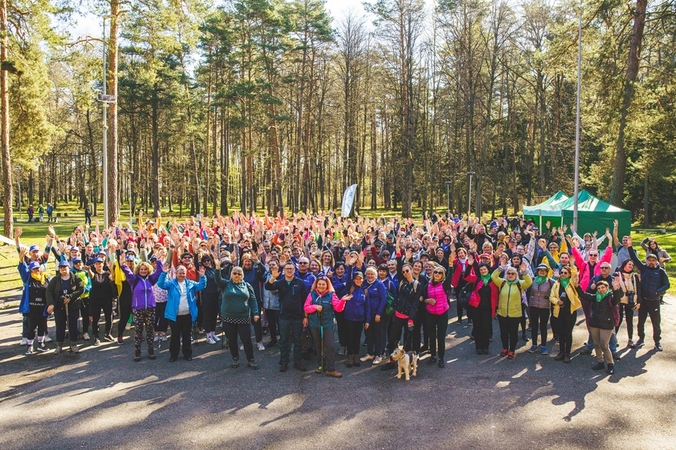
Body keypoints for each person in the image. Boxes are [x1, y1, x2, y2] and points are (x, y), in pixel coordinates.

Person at [157, 263, 207, 362]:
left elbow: (202, 286)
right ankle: (173, 355)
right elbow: (161, 284)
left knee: (187, 335)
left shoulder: (191, 283)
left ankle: (187, 354)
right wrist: (163, 273)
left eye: (183, 273)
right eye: (180, 273)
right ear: (176, 273)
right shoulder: (171, 284)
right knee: (175, 336)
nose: (182, 275)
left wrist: (202, 276)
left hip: (187, 314)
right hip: (174, 315)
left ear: (186, 273)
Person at [215, 263, 260, 369]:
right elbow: (217, 279)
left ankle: (251, 360)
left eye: (239, 274)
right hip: (228, 317)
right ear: (231, 274)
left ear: (242, 275)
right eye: (234, 273)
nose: (237, 275)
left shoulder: (247, 286)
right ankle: (235, 358)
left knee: (247, 340)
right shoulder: (225, 284)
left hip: (243, 317)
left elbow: (253, 300)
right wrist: (217, 268)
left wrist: (256, 312)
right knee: (232, 340)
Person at [265, 261, 308, 372]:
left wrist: (305, 316)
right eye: (287, 269)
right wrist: (273, 277)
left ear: (295, 270)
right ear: (284, 271)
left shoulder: (300, 282)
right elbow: (268, 286)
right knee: (284, 340)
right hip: (284, 316)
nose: (289, 270)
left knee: (298, 340)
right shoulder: (280, 282)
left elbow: (305, 300)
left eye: (291, 269)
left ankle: (297, 362)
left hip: (297, 316)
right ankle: (284, 362)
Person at [381, 264, 424, 371]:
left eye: (407, 271)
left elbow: (415, 304)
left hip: (408, 317)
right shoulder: (402, 282)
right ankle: (392, 362)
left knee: (408, 341)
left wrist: (411, 319)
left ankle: (406, 364)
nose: (405, 273)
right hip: (398, 315)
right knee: (392, 339)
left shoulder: (417, 285)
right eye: (403, 272)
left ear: (411, 270)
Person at [121, 258, 163, 361]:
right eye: (141, 269)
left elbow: (159, 271)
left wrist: (158, 260)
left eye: (145, 269)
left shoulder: (151, 279)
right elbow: (126, 270)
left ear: (148, 270)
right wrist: (122, 262)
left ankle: (150, 350)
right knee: (138, 332)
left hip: (150, 309)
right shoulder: (133, 280)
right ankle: (137, 351)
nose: (143, 271)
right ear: (138, 270)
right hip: (138, 310)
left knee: (149, 331)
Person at [577, 280, 622, 374]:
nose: (601, 290)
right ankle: (600, 362)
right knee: (596, 344)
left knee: (604, 345)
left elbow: (617, 300)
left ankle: (610, 364)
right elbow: (584, 295)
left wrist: (616, 289)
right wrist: (577, 285)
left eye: (603, 288)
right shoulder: (595, 297)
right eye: (599, 288)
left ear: (607, 288)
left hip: (606, 325)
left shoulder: (610, 298)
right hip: (594, 324)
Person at [628, 249, 670, 351]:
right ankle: (641, 338)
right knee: (641, 321)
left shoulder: (661, 272)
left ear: (656, 261)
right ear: (646, 261)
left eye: (653, 260)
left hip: (654, 301)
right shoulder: (644, 269)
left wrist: (658, 291)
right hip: (643, 301)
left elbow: (667, 284)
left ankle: (657, 341)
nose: (651, 262)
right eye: (649, 260)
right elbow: (634, 258)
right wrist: (629, 247)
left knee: (656, 322)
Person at [304, 276, 344, 377]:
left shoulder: (332, 295)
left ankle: (331, 369)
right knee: (318, 345)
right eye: (319, 284)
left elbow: (338, 308)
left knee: (330, 345)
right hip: (314, 324)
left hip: (327, 324)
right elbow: (306, 307)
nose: (321, 286)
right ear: (316, 284)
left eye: (323, 284)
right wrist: (315, 307)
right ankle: (320, 365)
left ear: (327, 285)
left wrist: (343, 300)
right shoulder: (311, 294)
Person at [491, 265, 532, 360]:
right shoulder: (502, 282)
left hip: (515, 313)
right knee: (503, 332)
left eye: (512, 273)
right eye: (508, 273)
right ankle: (505, 348)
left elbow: (529, 282)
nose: (510, 275)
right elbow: (494, 277)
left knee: (513, 333)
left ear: (516, 275)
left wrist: (524, 272)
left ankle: (512, 350)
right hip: (502, 312)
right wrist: (500, 267)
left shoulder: (520, 284)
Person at [46, 260, 85, 354]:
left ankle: (74, 345)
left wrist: (71, 297)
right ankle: (59, 345)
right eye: (61, 268)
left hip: (72, 305)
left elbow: (81, 289)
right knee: (60, 325)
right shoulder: (55, 280)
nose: (63, 269)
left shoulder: (75, 278)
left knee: (73, 325)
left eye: (65, 267)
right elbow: (48, 291)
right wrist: (51, 303)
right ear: (59, 269)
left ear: (69, 268)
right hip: (59, 306)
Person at [465, 260, 497, 355]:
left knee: (486, 328)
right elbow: (466, 276)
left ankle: (485, 347)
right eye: (481, 270)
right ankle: (478, 347)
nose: (483, 271)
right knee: (477, 327)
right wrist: (469, 266)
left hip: (488, 308)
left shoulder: (493, 280)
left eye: (484, 269)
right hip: (476, 307)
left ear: (488, 270)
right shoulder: (477, 279)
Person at [549, 267, 582, 363]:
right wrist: (556, 301)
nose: (563, 274)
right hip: (559, 312)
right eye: (561, 272)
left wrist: (572, 263)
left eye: (565, 273)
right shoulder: (556, 284)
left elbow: (575, 272)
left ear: (569, 274)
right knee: (561, 333)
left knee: (568, 333)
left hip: (570, 312)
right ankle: (561, 352)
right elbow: (551, 296)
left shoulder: (571, 283)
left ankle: (567, 353)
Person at [18, 258, 50, 354]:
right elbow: (22, 269)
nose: (37, 270)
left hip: (43, 307)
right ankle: (29, 346)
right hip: (32, 308)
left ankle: (41, 344)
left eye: (38, 268)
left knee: (42, 325)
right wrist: (21, 260)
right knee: (31, 327)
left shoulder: (45, 278)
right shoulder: (28, 278)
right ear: (30, 270)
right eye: (34, 269)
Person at [360, 267, 388, 364]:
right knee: (369, 334)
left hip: (378, 314)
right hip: (367, 314)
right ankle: (370, 353)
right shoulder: (364, 284)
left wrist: (379, 313)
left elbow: (384, 299)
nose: (370, 276)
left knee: (378, 334)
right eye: (368, 274)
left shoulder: (379, 284)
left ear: (375, 275)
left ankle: (378, 354)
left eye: (372, 274)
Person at [425, 265, 450, 366]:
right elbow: (423, 298)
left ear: (442, 275)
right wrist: (428, 300)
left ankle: (441, 358)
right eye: (436, 272)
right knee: (431, 335)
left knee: (441, 336)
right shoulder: (428, 285)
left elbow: (450, 277)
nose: (437, 274)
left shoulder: (444, 285)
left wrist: (451, 265)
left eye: (440, 273)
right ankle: (432, 356)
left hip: (442, 313)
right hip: (430, 313)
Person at [342, 270, 368, 368]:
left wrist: (367, 320)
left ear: (363, 279)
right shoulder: (350, 288)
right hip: (349, 317)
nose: (358, 280)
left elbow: (367, 306)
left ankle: (356, 355)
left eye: (360, 279)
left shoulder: (364, 291)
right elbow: (348, 278)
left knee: (357, 337)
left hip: (359, 318)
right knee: (349, 337)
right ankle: (349, 355)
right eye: (356, 279)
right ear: (354, 280)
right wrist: (349, 265)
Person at [88, 257, 116, 346]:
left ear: (103, 264)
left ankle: (108, 334)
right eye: (97, 263)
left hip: (107, 299)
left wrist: (111, 269)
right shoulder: (94, 274)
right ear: (94, 265)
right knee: (96, 318)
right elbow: (91, 275)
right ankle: (96, 336)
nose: (99, 265)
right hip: (95, 300)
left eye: (100, 263)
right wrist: (88, 270)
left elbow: (113, 278)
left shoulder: (107, 274)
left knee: (109, 317)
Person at [527, 264, 554, 354]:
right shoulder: (533, 280)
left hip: (545, 307)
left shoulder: (550, 281)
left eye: (544, 270)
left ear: (547, 272)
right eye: (540, 270)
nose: (542, 272)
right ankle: (534, 344)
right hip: (533, 306)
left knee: (543, 327)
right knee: (534, 326)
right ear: (537, 271)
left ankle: (543, 346)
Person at [614, 259, 641, 348]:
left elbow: (639, 289)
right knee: (618, 320)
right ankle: (613, 339)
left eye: (632, 265)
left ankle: (630, 339)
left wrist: (638, 302)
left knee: (629, 321)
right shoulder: (618, 274)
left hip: (630, 301)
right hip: (620, 301)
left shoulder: (635, 277)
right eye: (629, 264)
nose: (631, 266)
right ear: (624, 265)